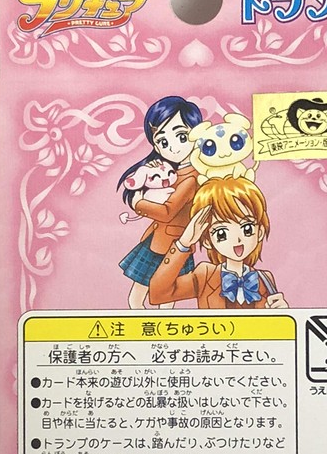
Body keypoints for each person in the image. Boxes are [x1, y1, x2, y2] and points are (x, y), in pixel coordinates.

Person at [149, 176, 288, 309]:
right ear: (208, 241)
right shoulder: (205, 275)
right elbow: (158, 294)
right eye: (222, 233)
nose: (237, 239)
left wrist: (283, 313)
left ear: (260, 232)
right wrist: (184, 243)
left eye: (247, 228)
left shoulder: (265, 280)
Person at [117, 96, 203, 308]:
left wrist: (138, 203)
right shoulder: (174, 171)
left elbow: (167, 212)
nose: (172, 148)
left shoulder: (191, 178)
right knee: (150, 301)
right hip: (160, 241)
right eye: (163, 142)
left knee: (146, 300)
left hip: (170, 246)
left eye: (181, 136)